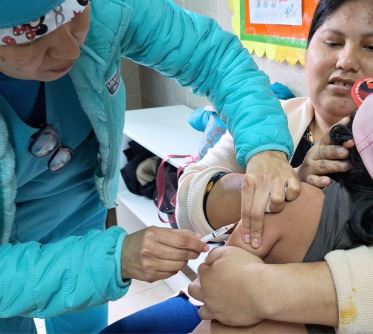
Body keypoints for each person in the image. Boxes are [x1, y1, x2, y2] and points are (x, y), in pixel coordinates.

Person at [103, 0, 373, 333]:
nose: (347, 61)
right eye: (332, 43)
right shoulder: (272, 121)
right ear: (308, 50)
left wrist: (261, 290)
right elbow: (188, 198)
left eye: (372, 46)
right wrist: (280, 182)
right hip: (226, 297)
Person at [0, 0, 302, 332]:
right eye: (32, 36)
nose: (70, 49)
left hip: (81, 209)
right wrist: (114, 260)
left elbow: (212, 56)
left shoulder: (110, 11)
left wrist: (265, 145)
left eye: (75, 17)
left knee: (85, 318)